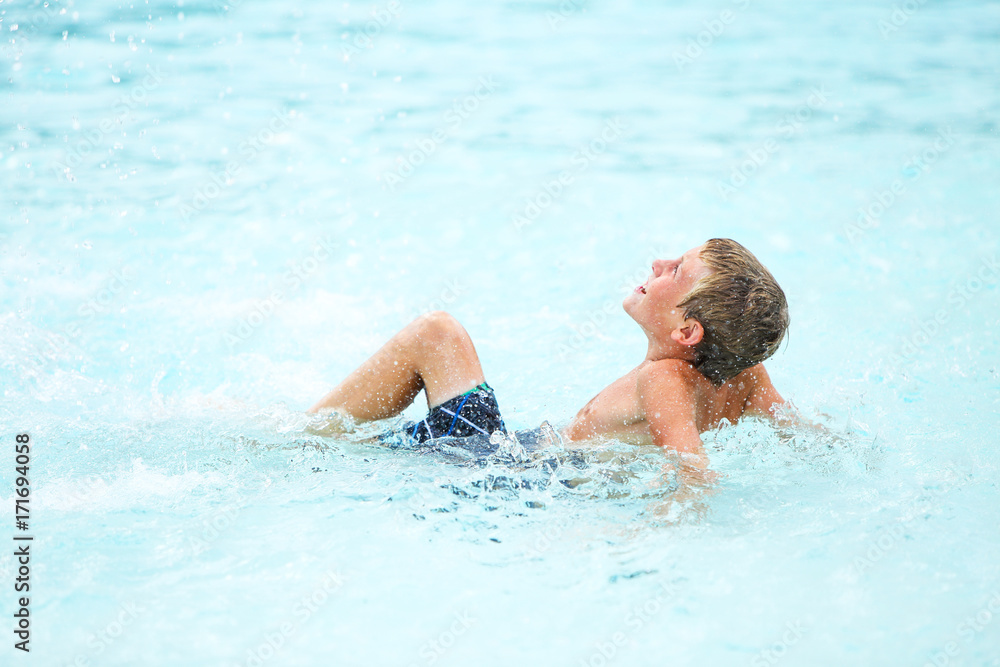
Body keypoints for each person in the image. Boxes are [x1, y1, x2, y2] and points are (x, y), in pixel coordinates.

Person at [307, 238, 790, 477]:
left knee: (437, 334)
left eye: (677, 269)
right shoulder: (746, 374)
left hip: (500, 469)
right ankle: (313, 433)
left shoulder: (663, 378)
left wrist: (657, 536)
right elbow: (798, 431)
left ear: (688, 331)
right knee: (375, 440)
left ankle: (300, 434)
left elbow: (692, 470)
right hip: (514, 455)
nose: (659, 263)